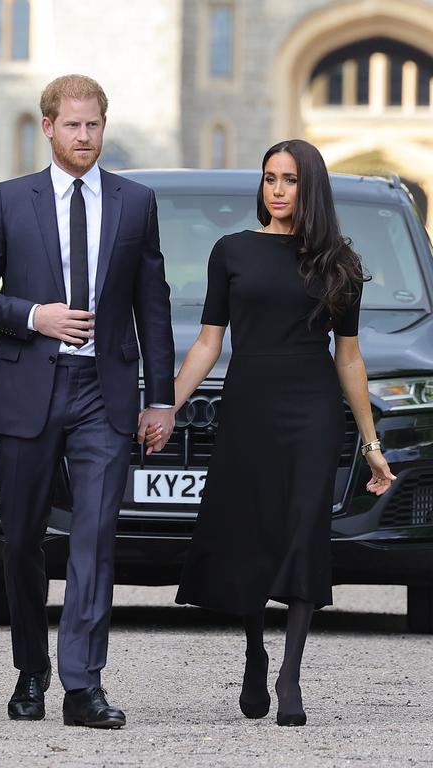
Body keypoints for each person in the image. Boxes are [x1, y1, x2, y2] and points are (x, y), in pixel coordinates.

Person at [0, 74, 176, 729]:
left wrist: (159, 399)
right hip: (29, 389)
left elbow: (153, 307)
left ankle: (83, 684)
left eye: (94, 125)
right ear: (47, 126)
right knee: (21, 538)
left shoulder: (136, 203)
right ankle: (32, 668)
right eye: (72, 125)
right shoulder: (8, 201)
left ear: (103, 127)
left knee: (95, 536)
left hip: (102, 396)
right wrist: (32, 316)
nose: (84, 136)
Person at [164, 139, 395, 726]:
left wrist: (371, 447)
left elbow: (349, 358)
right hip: (248, 405)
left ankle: (291, 672)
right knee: (252, 530)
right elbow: (208, 342)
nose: (277, 189)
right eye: (270, 178)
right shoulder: (232, 251)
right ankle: (254, 651)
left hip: (312, 409)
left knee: (302, 530)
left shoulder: (339, 261)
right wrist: (165, 406)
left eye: (289, 179)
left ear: (309, 187)